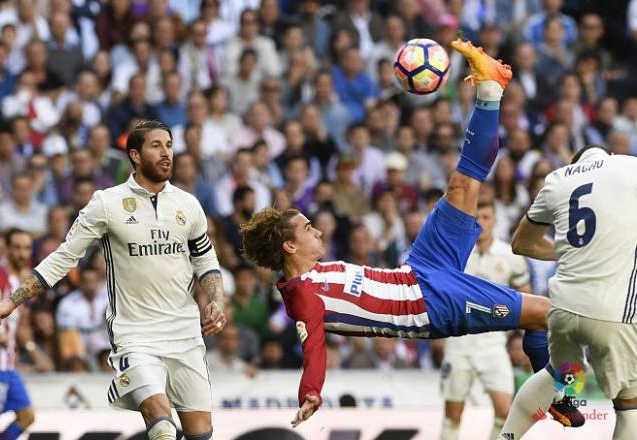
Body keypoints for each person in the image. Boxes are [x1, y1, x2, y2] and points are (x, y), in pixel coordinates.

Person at [240, 40, 579, 428]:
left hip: (419, 268)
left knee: (463, 184)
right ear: (289, 245)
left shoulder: (314, 273)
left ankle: (490, 88)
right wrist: (310, 393)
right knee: (548, 314)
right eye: (306, 228)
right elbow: (313, 346)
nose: (316, 229)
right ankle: (564, 392)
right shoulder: (301, 296)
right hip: (432, 304)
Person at [0, 121, 227, 440]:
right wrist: (10, 302)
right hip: (135, 333)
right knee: (162, 423)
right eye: (156, 146)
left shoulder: (188, 204)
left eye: (168, 144)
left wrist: (217, 300)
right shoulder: (106, 203)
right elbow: (64, 257)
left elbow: (205, 260)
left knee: (200, 435)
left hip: (185, 332)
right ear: (135, 156)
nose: (166, 152)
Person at [499, 144, 637, 439]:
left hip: (563, 310)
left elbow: (520, 244)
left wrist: (569, 253)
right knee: (630, 403)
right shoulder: (627, 167)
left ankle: (506, 436)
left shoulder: (558, 179)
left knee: (556, 375)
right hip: (612, 313)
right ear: (608, 155)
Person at [440, 197, 531, 440]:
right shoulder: (455, 253)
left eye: (486, 217)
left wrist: (524, 335)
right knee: (452, 415)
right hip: (458, 341)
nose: (480, 222)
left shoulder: (510, 255)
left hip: (493, 343)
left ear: (495, 221)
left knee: (506, 411)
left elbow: (526, 295)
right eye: (476, 218)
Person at [0, 229, 36, 440]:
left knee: (27, 416)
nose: (22, 253)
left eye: (27, 248)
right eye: (17, 247)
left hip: (7, 363)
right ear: (8, 250)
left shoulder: (17, 281)